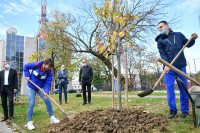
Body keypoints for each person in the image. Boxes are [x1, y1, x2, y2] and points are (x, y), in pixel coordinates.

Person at [155, 21, 198, 119]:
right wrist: (166, 64)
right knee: (170, 89)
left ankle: (185, 111)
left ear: (167, 26)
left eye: (161, 27)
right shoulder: (160, 41)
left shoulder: (178, 35)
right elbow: (163, 54)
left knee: (183, 88)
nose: (159, 29)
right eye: (158, 28)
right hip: (168, 69)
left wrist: (193, 38)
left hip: (180, 66)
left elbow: (188, 43)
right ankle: (173, 111)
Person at [23, 58, 60, 130]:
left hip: (41, 87)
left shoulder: (49, 72)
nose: (48, 68)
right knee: (31, 103)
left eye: (50, 67)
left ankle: (52, 118)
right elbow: (26, 66)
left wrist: (46, 91)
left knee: (47, 100)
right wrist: (27, 75)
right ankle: (29, 122)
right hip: (32, 86)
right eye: (48, 67)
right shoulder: (36, 65)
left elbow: (48, 82)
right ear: (45, 64)